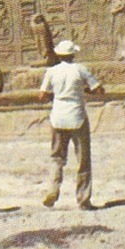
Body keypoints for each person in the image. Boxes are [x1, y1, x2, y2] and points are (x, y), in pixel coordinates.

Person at [39, 40, 102, 210]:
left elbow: (42, 95)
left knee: (57, 157)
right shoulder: (80, 69)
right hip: (77, 117)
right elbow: (98, 89)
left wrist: (57, 96)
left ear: (59, 55)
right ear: (73, 55)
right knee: (83, 160)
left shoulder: (51, 71)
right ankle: (83, 199)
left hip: (57, 117)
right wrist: (83, 91)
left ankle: (53, 189)